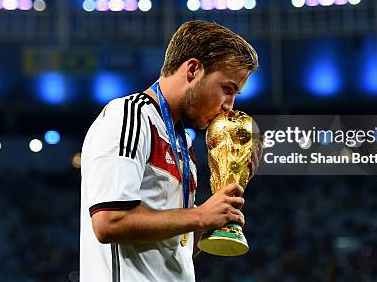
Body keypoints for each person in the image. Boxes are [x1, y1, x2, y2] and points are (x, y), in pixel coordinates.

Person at [80, 20, 259, 281]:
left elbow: (177, 246)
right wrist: (199, 215)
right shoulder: (129, 116)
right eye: (227, 89)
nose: (229, 106)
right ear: (193, 70)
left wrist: (222, 200)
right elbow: (109, 222)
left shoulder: (182, 144)